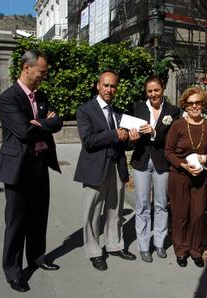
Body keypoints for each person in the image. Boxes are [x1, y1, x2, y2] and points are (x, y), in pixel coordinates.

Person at [0, 50, 63, 292]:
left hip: (40, 164)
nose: (44, 76)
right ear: (26, 68)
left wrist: (41, 122)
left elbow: (58, 122)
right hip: (18, 167)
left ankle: (37, 258)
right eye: (41, 72)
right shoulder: (8, 98)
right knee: (16, 221)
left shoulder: (41, 96)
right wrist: (45, 123)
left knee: (39, 215)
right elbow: (23, 131)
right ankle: (13, 271)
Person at [74, 69, 136, 272]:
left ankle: (115, 244)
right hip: (94, 168)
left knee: (115, 209)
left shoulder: (119, 113)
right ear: (98, 86)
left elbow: (122, 143)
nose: (110, 89)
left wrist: (131, 140)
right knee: (92, 213)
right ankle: (94, 252)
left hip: (116, 167)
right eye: (106, 85)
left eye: (113, 86)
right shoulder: (85, 110)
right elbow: (89, 142)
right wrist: (114, 134)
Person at [128, 75, 181, 263]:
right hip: (141, 160)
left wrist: (155, 133)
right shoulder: (138, 107)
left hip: (162, 162)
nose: (153, 94)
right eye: (149, 91)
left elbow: (174, 140)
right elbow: (129, 133)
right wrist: (132, 136)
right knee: (142, 204)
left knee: (161, 203)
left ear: (163, 89)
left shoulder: (173, 112)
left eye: (156, 90)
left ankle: (159, 242)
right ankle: (143, 245)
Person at [165, 86, 207, 268]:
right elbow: (168, 152)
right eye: (191, 103)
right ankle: (181, 250)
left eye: (198, 103)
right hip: (179, 176)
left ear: (203, 104)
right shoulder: (177, 125)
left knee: (199, 214)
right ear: (185, 105)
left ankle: (196, 250)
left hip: (201, 177)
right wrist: (183, 165)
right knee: (180, 215)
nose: (194, 106)